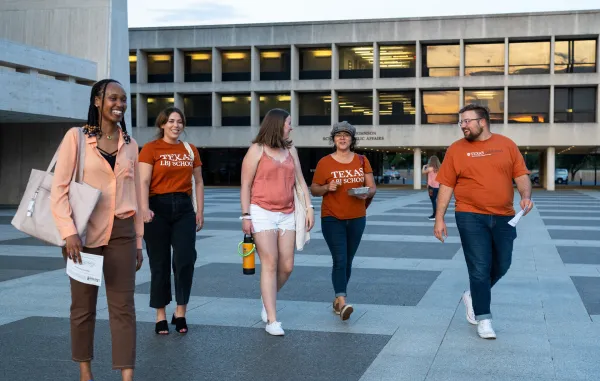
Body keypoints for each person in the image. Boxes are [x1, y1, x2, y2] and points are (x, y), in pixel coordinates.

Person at [51, 79, 144, 381]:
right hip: (83, 234)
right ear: (97, 102)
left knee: (124, 308)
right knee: (82, 307)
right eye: (113, 99)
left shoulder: (130, 145)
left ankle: (127, 376)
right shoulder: (76, 138)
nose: (119, 104)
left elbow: (137, 198)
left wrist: (139, 241)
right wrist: (68, 232)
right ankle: (85, 373)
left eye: (123, 100)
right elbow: (59, 189)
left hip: (122, 231)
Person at [433, 104, 533, 340]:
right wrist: (439, 218)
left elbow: (521, 174)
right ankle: (484, 318)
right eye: (461, 122)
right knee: (479, 267)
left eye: (467, 121)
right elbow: (446, 185)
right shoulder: (456, 150)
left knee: (504, 263)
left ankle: (473, 295)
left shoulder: (506, 145)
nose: (463, 126)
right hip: (470, 215)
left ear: (483, 121)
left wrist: (526, 196)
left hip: (504, 216)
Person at [240, 108, 314, 336]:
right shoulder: (257, 150)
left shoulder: (291, 150)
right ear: (277, 124)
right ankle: (272, 319)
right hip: (261, 211)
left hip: (288, 212)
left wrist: (310, 207)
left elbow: (300, 181)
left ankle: (267, 298)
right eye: (288, 123)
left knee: (287, 266)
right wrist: (246, 216)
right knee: (270, 262)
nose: (291, 127)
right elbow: (246, 185)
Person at [138, 107, 204, 335]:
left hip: (184, 208)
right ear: (162, 124)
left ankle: (181, 312)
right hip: (157, 208)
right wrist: (144, 208)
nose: (176, 125)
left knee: (185, 260)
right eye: (171, 121)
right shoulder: (150, 149)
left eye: (179, 122)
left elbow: (199, 182)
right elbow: (143, 181)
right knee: (160, 263)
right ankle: (160, 315)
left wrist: (199, 211)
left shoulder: (190, 149)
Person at [310, 121, 376, 321]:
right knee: (340, 259)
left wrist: (366, 193)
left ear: (352, 139)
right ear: (334, 139)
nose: (342, 137)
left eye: (346, 135)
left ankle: (337, 301)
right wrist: (326, 188)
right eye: (338, 135)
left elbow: (372, 186)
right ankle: (343, 300)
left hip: (357, 218)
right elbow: (314, 189)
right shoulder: (324, 162)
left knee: (347, 261)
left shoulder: (362, 160)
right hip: (332, 217)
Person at [422, 155, 441, 220]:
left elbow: (423, 172)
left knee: (433, 201)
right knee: (438, 201)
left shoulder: (430, 168)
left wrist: (424, 166)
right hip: (438, 186)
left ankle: (434, 215)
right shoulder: (439, 168)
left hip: (431, 187)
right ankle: (438, 215)